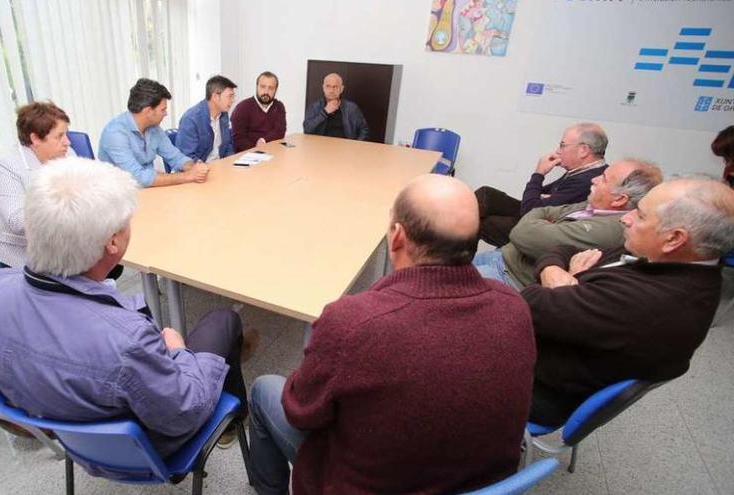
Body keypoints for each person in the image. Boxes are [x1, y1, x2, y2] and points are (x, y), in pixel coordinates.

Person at [248, 175, 535, 494]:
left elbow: (300, 410)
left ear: (396, 236)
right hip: (480, 483)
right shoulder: (515, 307)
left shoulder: (352, 321)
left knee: (263, 390)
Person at [0, 157, 248, 461]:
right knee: (224, 320)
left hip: (66, 434)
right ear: (113, 242)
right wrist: (179, 353)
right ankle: (233, 421)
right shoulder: (128, 340)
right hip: (141, 451)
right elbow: (185, 413)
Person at [524, 175, 734, 427]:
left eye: (641, 216)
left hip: (535, 388)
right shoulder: (670, 261)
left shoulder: (649, 301)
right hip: (553, 354)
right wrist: (555, 272)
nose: (626, 217)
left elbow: (530, 301)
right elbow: (563, 249)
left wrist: (566, 276)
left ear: (674, 239)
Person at [472, 159, 661, 290]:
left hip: (511, 276)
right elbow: (542, 210)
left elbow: (525, 233)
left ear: (619, 199)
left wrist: (538, 220)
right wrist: (540, 220)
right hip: (504, 257)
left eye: (603, 179)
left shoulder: (613, 228)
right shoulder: (593, 204)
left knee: (444, 286)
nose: (594, 180)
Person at [475, 123, 609, 247]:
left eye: (562, 145)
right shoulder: (582, 170)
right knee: (486, 194)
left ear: (583, 150)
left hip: (539, 229)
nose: (558, 151)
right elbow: (538, 195)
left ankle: (458, 263)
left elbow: (530, 210)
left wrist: (539, 173)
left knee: (481, 224)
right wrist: (542, 196)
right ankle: (455, 223)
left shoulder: (587, 180)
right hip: (536, 213)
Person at [0, 101, 73, 268]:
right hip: (19, 256)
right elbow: (19, 222)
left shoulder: (66, 154)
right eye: (59, 136)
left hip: (58, 247)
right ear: (35, 139)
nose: (67, 142)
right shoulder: (5, 166)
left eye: (66, 134)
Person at [98, 78, 209, 187]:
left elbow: (176, 157)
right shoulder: (115, 134)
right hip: (120, 195)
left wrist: (193, 168)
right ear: (148, 111)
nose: (165, 114)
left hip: (147, 191)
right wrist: (188, 176)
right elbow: (139, 177)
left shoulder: (154, 128)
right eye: (163, 109)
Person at [176, 75, 237, 162]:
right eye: (229, 96)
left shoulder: (224, 115)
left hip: (219, 166)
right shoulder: (191, 119)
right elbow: (186, 157)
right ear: (216, 97)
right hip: (198, 170)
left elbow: (228, 146)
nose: (233, 100)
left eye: (233, 96)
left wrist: (230, 163)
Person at [303, 73, 369, 141]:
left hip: (345, 148)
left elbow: (364, 130)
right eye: (328, 86)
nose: (331, 91)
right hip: (321, 147)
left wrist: (356, 146)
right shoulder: (315, 107)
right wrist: (325, 112)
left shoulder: (351, 108)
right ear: (323, 88)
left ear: (341, 89)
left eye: (335, 87)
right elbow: (307, 129)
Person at [231, 71, 287, 152]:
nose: (266, 92)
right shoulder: (242, 107)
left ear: (276, 90)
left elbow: (280, 131)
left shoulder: (279, 106)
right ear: (257, 86)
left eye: (271, 88)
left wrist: (263, 140)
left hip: (272, 152)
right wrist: (257, 150)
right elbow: (238, 139)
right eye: (263, 87)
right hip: (247, 154)